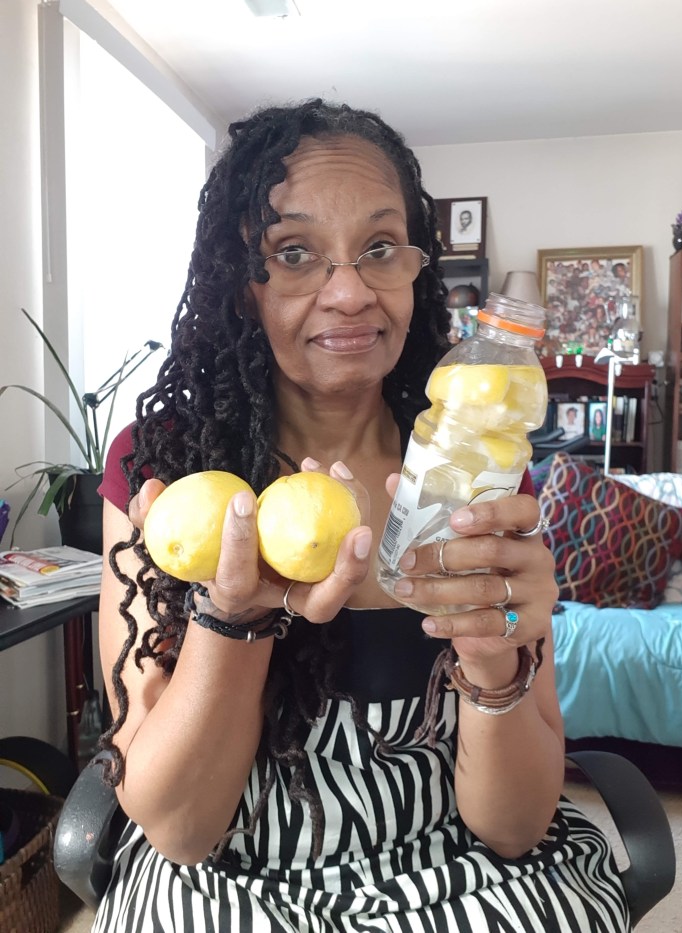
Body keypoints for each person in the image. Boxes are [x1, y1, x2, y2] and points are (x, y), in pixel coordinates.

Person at [93, 99, 630, 932]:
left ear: (417, 270)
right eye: (294, 253)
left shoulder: (476, 470)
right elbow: (181, 830)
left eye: (379, 247)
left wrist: (492, 657)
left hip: (461, 870)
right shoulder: (163, 469)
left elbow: (515, 826)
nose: (349, 293)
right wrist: (232, 616)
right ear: (242, 283)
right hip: (231, 875)